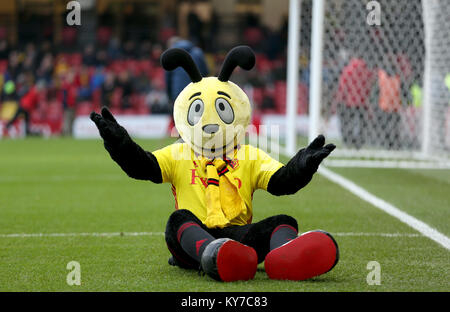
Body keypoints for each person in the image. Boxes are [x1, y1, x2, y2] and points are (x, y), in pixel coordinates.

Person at [90, 46, 339, 282]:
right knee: (177, 221)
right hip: (193, 238)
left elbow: (282, 181)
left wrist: (303, 165)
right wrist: (119, 143)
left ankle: (285, 257)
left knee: (284, 223)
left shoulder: (249, 155)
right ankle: (211, 255)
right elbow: (141, 166)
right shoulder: (179, 153)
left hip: (238, 238)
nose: (210, 123)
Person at [335, 57, 374, 148]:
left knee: (348, 123)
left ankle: (348, 141)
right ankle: (359, 143)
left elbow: (343, 86)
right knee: (361, 124)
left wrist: (340, 98)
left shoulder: (348, 70)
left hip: (349, 101)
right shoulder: (366, 71)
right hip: (362, 102)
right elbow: (369, 86)